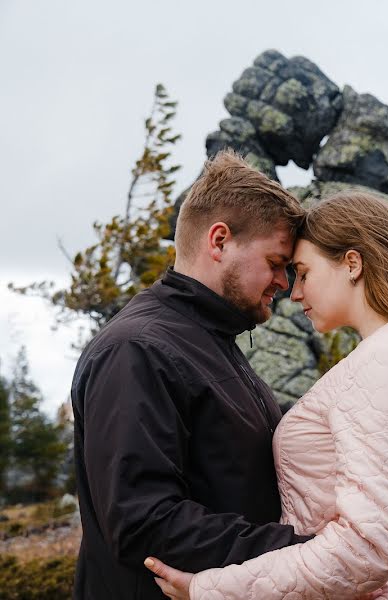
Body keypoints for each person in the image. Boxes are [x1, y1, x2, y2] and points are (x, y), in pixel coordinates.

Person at [144, 190, 388, 599]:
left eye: (303, 272)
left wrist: (209, 589)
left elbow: (364, 550)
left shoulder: (386, 362)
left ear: (352, 264)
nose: (294, 292)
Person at [71, 150, 311, 599]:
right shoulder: (137, 350)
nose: (285, 283)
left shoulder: (211, 342)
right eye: (277, 262)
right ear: (218, 241)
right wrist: (305, 552)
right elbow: (143, 521)